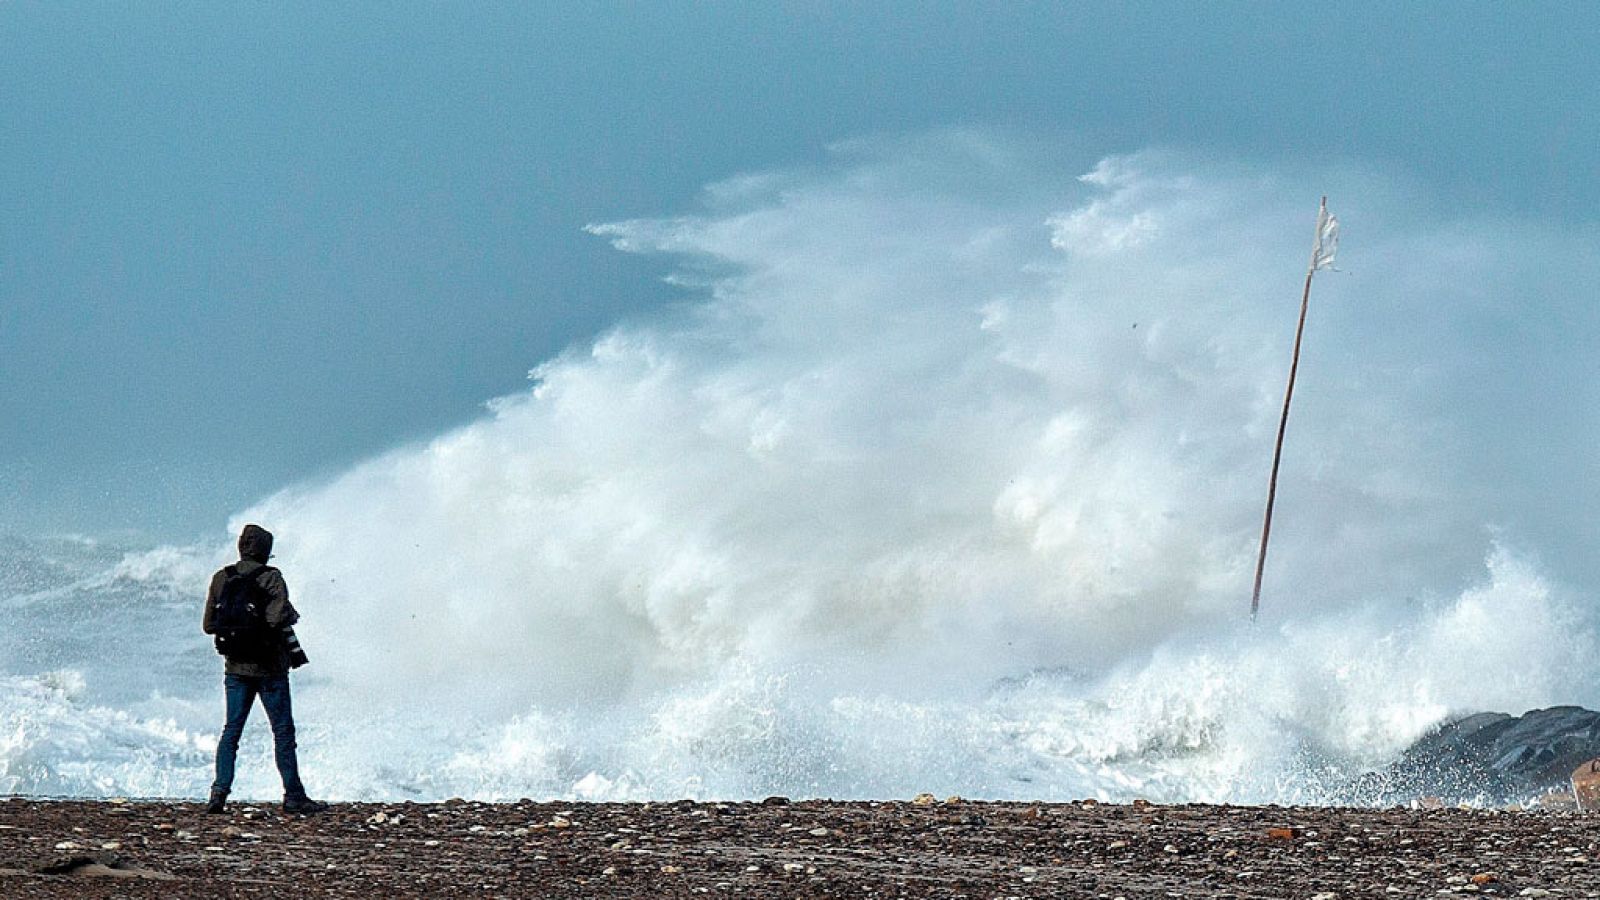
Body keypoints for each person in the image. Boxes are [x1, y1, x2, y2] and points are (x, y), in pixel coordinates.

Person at [201, 523, 328, 815]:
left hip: (235, 668)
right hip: (270, 669)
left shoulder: (222, 578)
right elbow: (277, 619)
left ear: (241, 546)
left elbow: (209, 625)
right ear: (266, 551)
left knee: (231, 731)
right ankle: (294, 796)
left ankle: (218, 794)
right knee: (282, 732)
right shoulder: (272, 577)